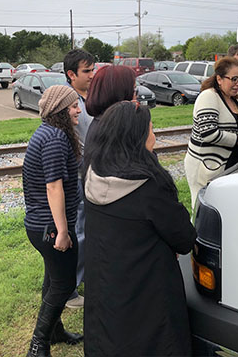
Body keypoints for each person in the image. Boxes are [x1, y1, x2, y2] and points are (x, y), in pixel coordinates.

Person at [82, 101, 196, 356]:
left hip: (105, 287)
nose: (154, 137)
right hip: (147, 295)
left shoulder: (92, 173)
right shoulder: (149, 186)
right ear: (136, 138)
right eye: (151, 130)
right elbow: (184, 239)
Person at [23, 85, 84, 356]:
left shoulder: (50, 133)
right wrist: (62, 231)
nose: (78, 110)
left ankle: (56, 332)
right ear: (60, 110)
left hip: (41, 224)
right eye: (73, 106)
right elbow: (53, 187)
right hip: (50, 226)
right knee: (64, 284)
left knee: (53, 279)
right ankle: (38, 345)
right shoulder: (54, 139)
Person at [184, 56, 238, 208]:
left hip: (232, 165)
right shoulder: (208, 97)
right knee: (206, 211)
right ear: (219, 79)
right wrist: (237, 139)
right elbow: (207, 133)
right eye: (234, 79)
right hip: (207, 168)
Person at [62, 49, 95, 309]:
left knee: (89, 227)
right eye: (87, 71)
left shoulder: (90, 96)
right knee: (79, 229)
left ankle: (83, 277)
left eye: (93, 69)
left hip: (94, 169)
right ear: (71, 74)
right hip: (77, 172)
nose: (92, 75)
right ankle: (70, 288)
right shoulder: (67, 100)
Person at [84, 64, 136, 147]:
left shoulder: (102, 122)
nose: (135, 95)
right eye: (133, 90)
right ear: (120, 93)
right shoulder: (115, 130)